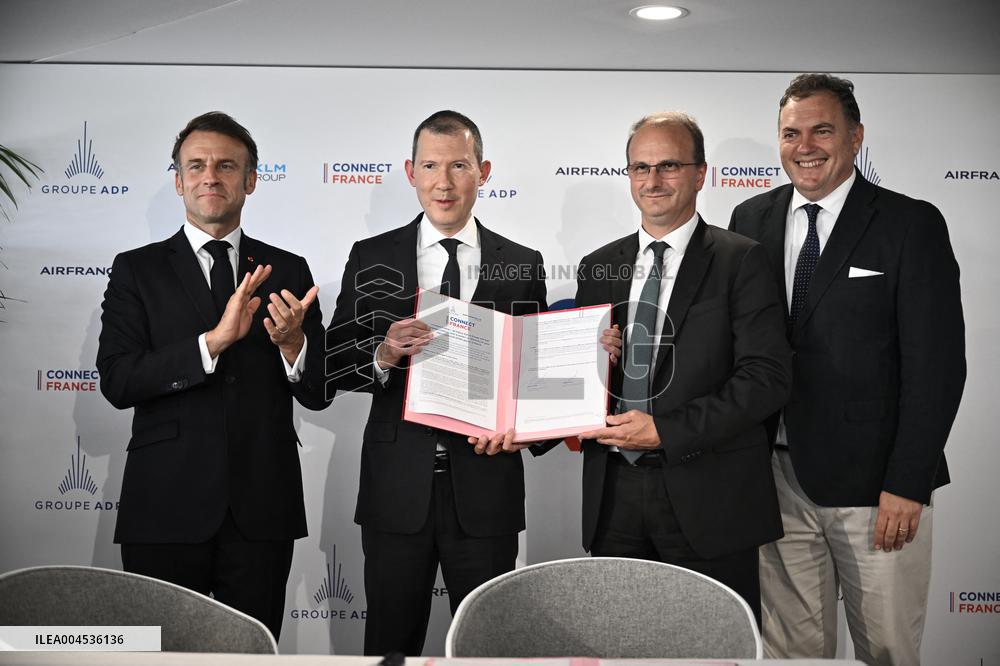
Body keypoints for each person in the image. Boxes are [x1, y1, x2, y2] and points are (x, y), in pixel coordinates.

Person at [729, 73, 966, 665]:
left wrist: (907, 483)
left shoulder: (910, 223)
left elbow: (937, 366)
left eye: (821, 130)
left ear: (855, 137)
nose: (804, 145)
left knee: (886, 648)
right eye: (790, 132)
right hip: (773, 481)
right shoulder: (749, 218)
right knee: (791, 652)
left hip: (876, 488)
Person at [315, 110, 547, 655]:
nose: (443, 182)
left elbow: (533, 381)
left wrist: (581, 366)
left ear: (484, 171)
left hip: (486, 488)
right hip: (397, 489)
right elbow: (331, 366)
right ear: (410, 172)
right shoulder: (371, 256)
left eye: (459, 166)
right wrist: (384, 352)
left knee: (490, 645)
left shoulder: (523, 262)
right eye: (430, 166)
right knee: (391, 644)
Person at [96, 111, 325, 639]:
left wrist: (293, 344)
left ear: (250, 180)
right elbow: (118, 380)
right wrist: (212, 344)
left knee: (253, 647)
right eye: (195, 165)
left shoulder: (289, 269)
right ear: (177, 181)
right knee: (165, 650)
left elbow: (320, 392)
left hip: (263, 507)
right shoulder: (138, 269)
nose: (210, 176)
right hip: (165, 504)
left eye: (226, 165)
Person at [572, 111, 791, 622]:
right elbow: (581, 379)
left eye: (669, 165)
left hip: (709, 495)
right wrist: (590, 364)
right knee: (617, 643)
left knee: (712, 649)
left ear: (700, 174)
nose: (652, 180)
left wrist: (666, 431)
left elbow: (767, 378)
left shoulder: (743, 259)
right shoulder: (597, 265)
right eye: (640, 167)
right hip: (613, 497)